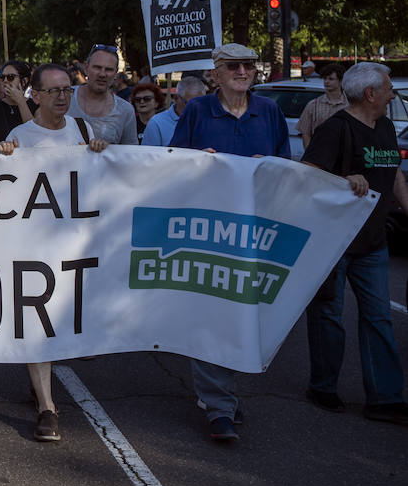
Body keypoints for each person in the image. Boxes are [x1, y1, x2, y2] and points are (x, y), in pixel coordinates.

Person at [169, 42, 290, 441]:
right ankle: (218, 405)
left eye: (249, 66)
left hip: (253, 231)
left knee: (241, 313)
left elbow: (284, 168)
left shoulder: (269, 112)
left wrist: (269, 168)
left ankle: (223, 394)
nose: (243, 72)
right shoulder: (199, 110)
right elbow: (172, 161)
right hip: (207, 230)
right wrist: (195, 162)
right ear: (216, 74)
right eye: (234, 66)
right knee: (209, 312)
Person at [0, 64, 108, 441]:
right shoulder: (20, 136)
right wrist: (3, 155)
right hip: (34, 245)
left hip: (72, 245)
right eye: (54, 91)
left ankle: (40, 388)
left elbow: (99, 181)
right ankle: (47, 406)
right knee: (37, 321)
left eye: (66, 90)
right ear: (36, 96)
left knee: (61, 319)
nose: (63, 96)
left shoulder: (83, 130)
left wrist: (98, 153)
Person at [302, 62, 408, 425]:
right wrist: (343, 179)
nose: (393, 94)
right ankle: (323, 386)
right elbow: (308, 177)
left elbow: (393, 172)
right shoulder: (335, 129)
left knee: (379, 318)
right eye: (389, 87)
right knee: (329, 317)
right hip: (334, 243)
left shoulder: (387, 126)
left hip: (373, 243)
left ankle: (385, 398)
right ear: (370, 94)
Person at [67, 45, 138, 145]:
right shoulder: (65, 97)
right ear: (86, 68)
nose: (102, 74)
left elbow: (130, 154)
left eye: (108, 69)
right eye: (97, 67)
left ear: (115, 73)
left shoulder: (125, 111)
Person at [140, 76, 206, 147]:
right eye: (190, 104)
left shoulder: (209, 119)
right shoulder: (156, 124)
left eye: (201, 104)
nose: (196, 109)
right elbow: (148, 156)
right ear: (176, 98)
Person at [296, 62, 347, 150]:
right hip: (319, 154)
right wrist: (310, 154)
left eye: (331, 79)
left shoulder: (350, 104)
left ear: (341, 81)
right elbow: (305, 133)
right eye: (325, 79)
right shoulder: (313, 105)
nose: (326, 82)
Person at [0, 61, 35, 146]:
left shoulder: (36, 106)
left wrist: (20, 102)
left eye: (10, 77)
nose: (5, 81)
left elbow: (34, 134)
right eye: (2, 77)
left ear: (24, 81)